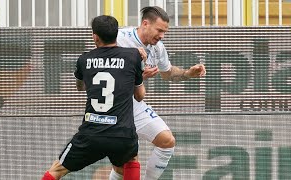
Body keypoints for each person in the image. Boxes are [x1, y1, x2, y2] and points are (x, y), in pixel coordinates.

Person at [41, 15, 146, 180]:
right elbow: (140, 96)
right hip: (122, 133)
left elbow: (80, 87)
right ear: (116, 34)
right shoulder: (133, 56)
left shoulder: (84, 59)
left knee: (56, 170)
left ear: (95, 36)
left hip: (91, 134)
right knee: (131, 160)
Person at [109, 6, 207, 180]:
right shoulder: (119, 38)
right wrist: (136, 76)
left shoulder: (158, 47)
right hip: (113, 106)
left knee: (167, 141)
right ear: (145, 24)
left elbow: (167, 73)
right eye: (159, 30)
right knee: (124, 166)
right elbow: (101, 71)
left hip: (134, 105)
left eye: (164, 32)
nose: (162, 35)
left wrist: (187, 73)